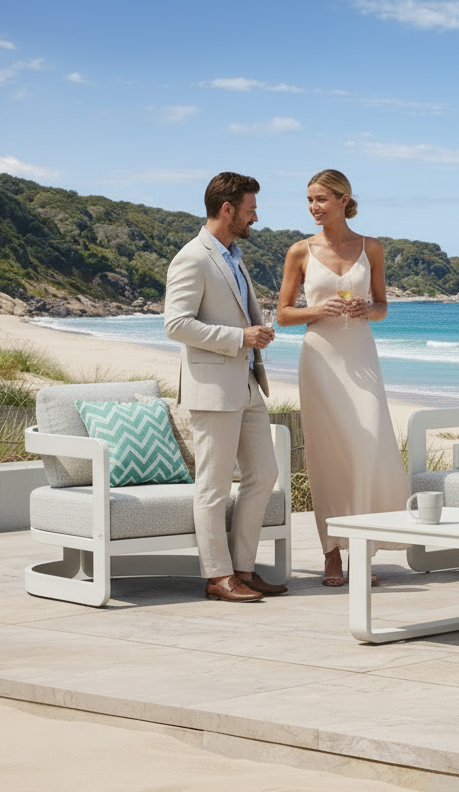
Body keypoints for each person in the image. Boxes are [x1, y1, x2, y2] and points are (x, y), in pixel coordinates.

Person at [276, 169, 408, 588]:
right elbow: (282, 314)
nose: (314, 207)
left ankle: (362, 551)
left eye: (321, 199)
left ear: (344, 199)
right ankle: (331, 553)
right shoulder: (299, 251)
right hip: (320, 361)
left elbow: (383, 307)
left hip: (361, 357)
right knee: (327, 455)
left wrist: (366, 309)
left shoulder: (371, 247)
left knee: (367, 449)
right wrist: (318, 311)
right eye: (310, 200)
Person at [165, 172, 284, 602]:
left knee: (264, 474)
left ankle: (244, 569)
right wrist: (240, 338)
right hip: (213, 388)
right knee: (213, 485)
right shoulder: (192, 258)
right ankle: (217, 576)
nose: (256, 217)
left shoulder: (233, 255)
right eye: (250, 210)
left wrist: (254, 336)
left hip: (248, 383)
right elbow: (175, 324)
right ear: (228, 209)